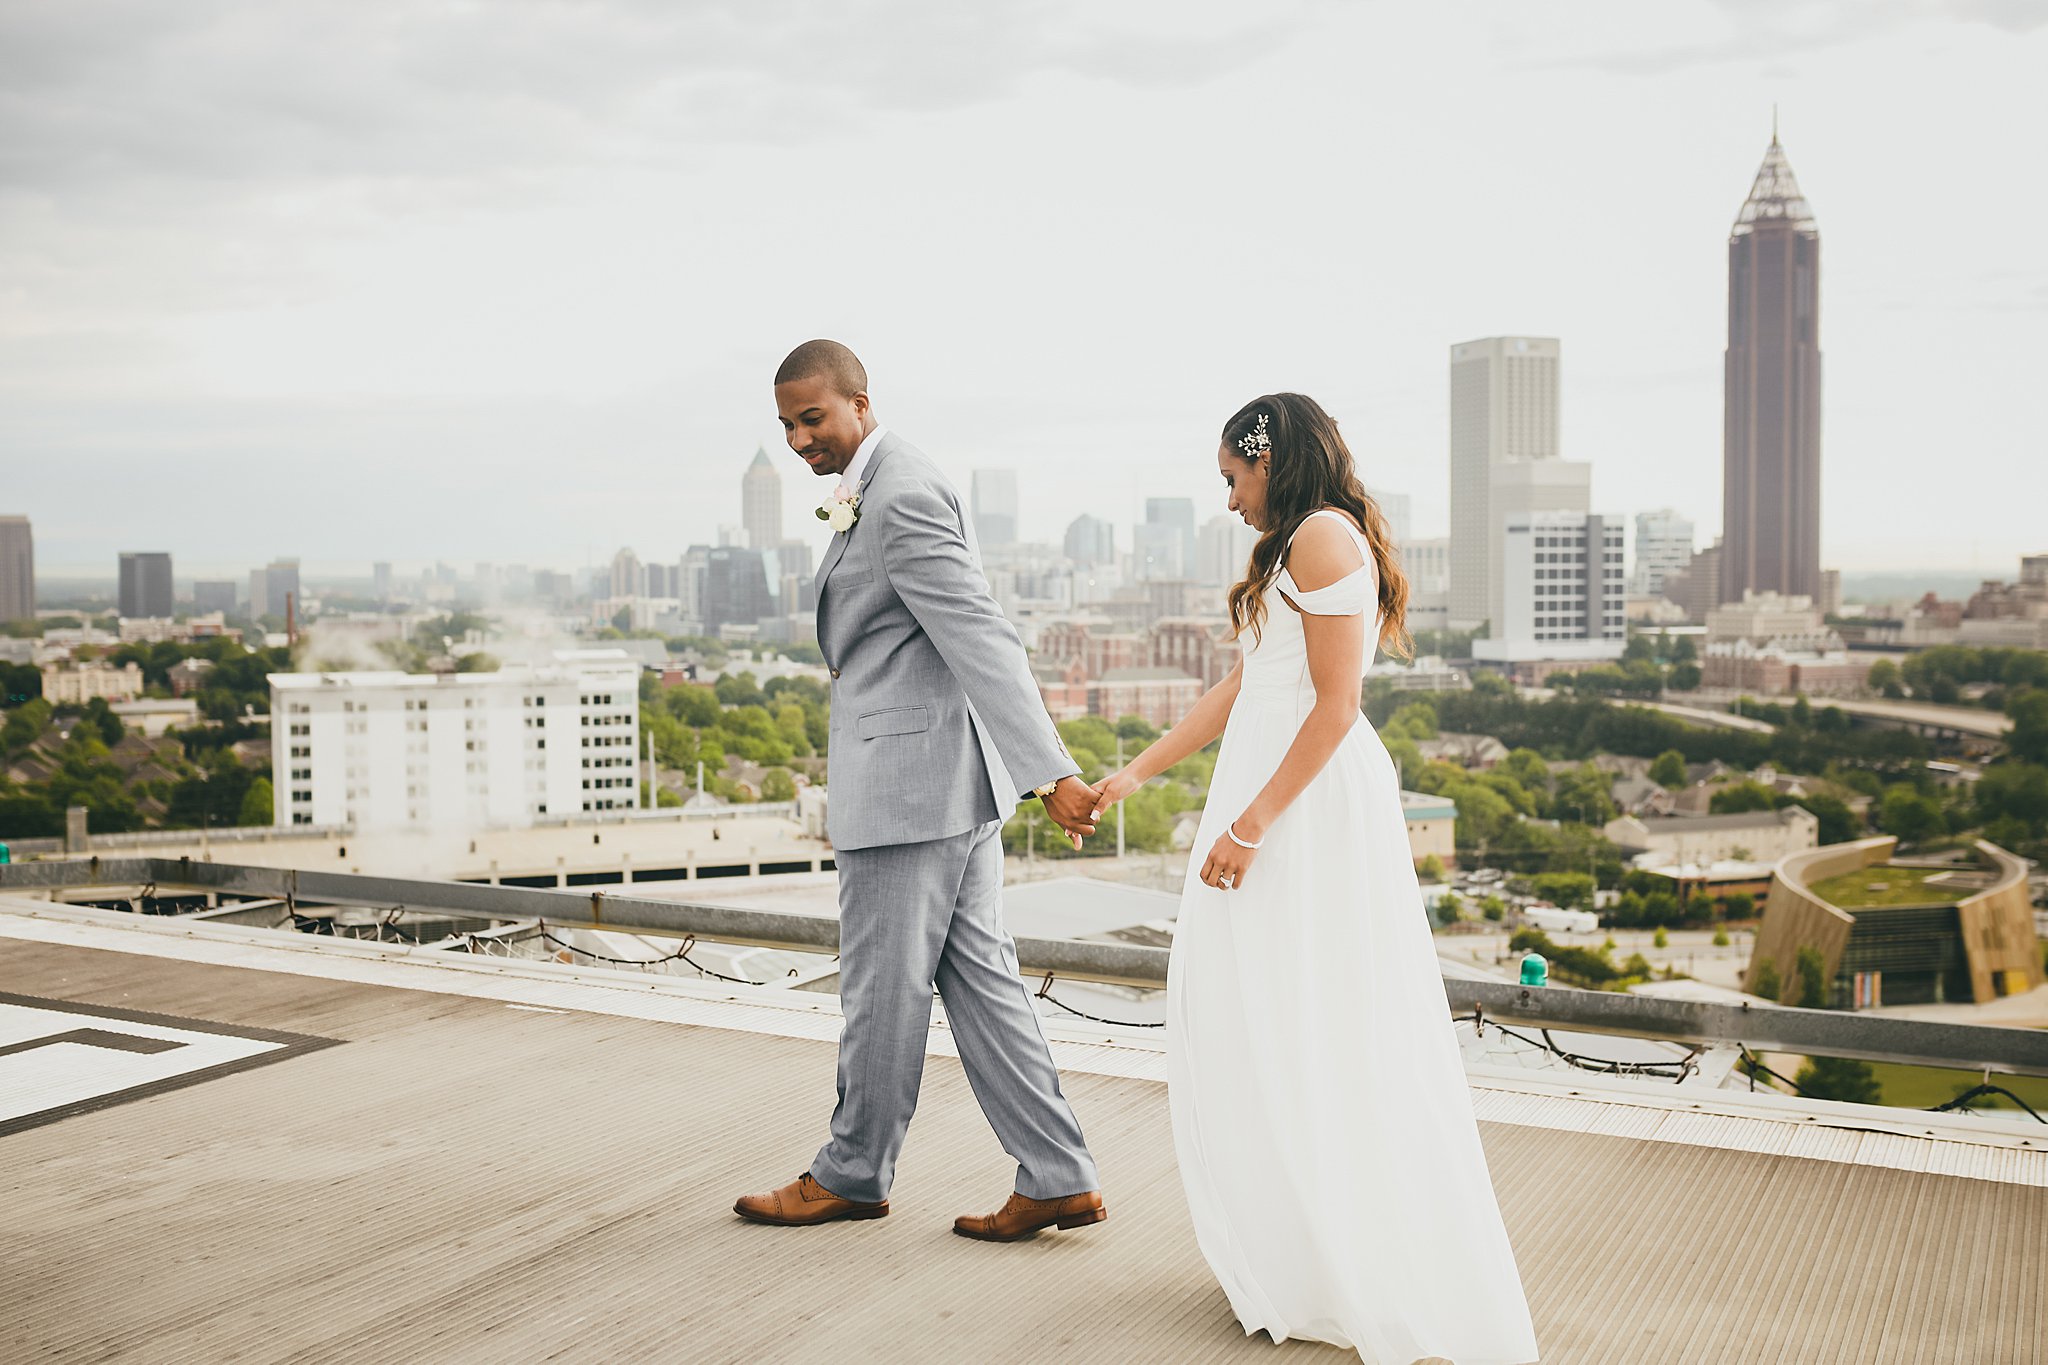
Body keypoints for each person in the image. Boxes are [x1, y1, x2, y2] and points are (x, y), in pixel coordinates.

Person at [1095, 394, 1539, 1362]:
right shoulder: (1293, 543)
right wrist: (1136, 772)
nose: (1226, 502)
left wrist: (1250, 824)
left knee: (1318, 1019)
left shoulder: (1324, 542)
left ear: (1271, 459)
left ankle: (1351, 1255)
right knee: (1261, 1018)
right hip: (1265, 809)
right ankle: (1299, 1247)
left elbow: (1336, 709)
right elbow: (1242, 686)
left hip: (1300, 818)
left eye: (1230, 479)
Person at [734, 340, 1109, 1242]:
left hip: (909, 788)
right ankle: (1058, 1174)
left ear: (860, 403)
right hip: (947, 784)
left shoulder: (895, 491)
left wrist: (1050, 771)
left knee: (880, 988)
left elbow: (981, 633)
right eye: (785, 423)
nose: (797, 438)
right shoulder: (890, 477)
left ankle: (852, 1171)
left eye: (812, 417)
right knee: (981, 982)